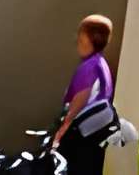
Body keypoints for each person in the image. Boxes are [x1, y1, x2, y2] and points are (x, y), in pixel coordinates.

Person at [55, 13, 116, 175]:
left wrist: (62, 130)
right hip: (96, 134)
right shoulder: (101, 63)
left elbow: (81, 99)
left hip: (81, 135)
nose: (77, 41)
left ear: (90, 38)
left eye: (81, 36)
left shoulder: (89, 67)